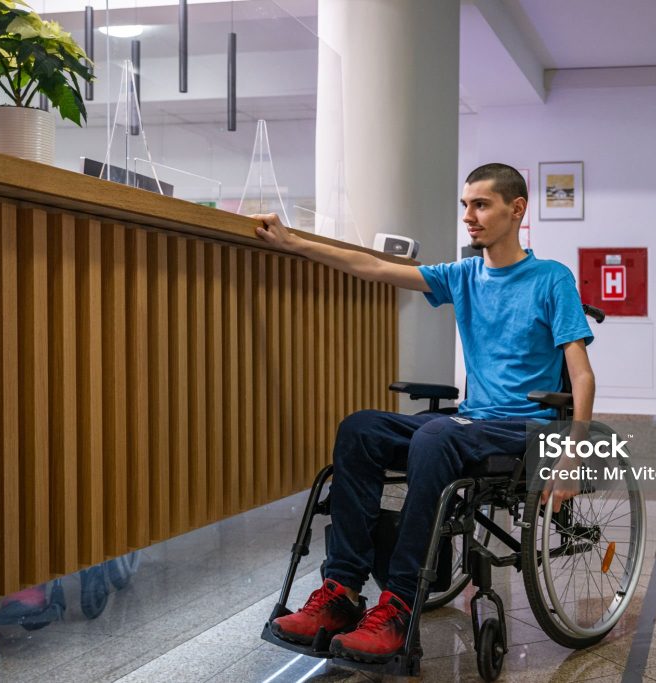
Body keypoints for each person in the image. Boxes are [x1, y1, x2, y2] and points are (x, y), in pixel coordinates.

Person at [253, 163, 595, 662]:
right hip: (470, 420)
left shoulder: (551, 279)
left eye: (481, 205)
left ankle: (399, 603)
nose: (469, 217)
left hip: (522, 428)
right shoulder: (464, 275)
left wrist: (573, 455)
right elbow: (373, 268)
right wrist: (293, 243)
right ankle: (343, 591)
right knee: (361, 428)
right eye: (465, 206)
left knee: (436, 435)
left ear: (516, 209)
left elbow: (582, 376)